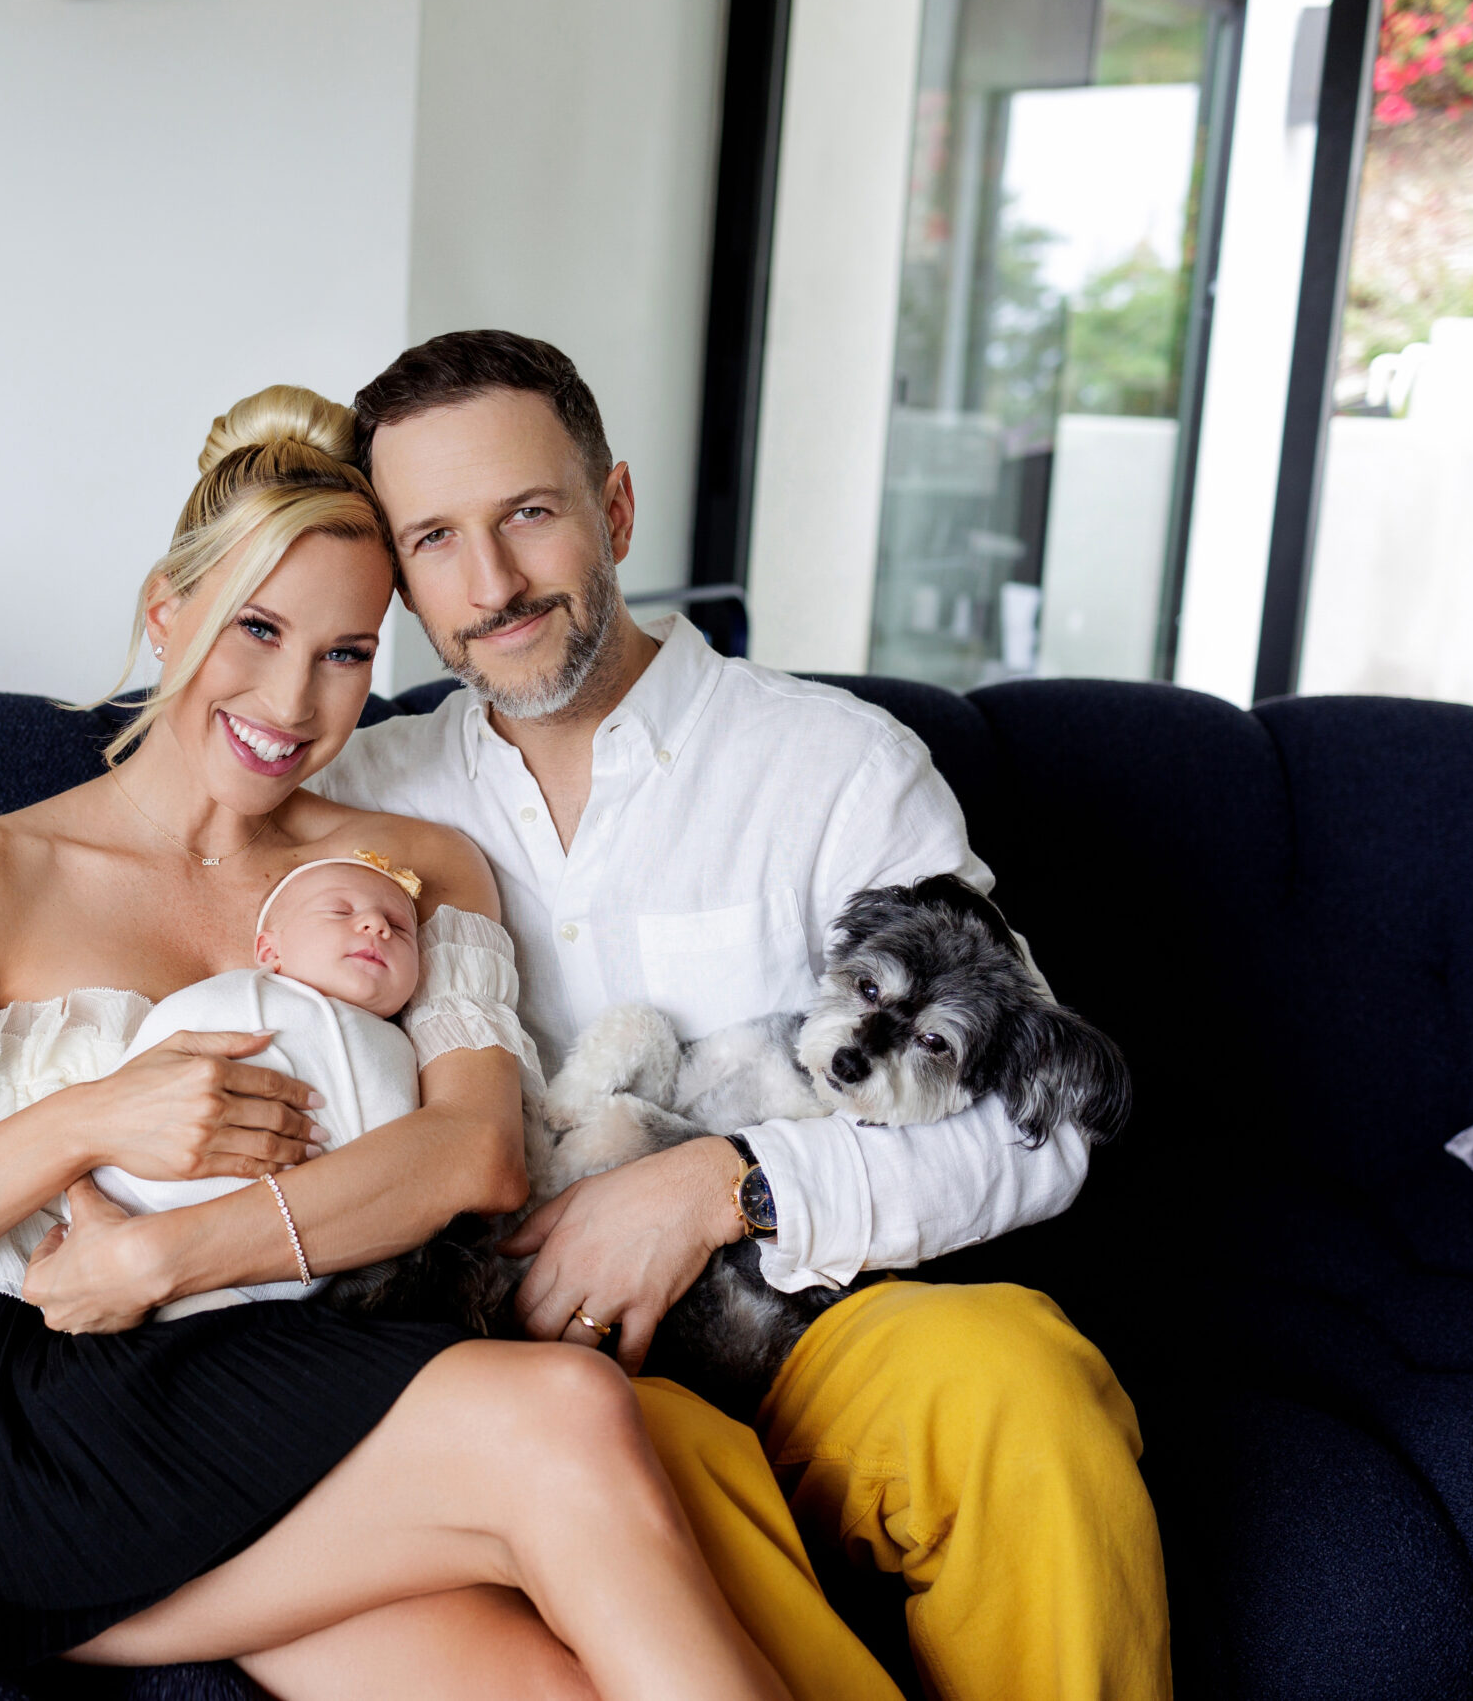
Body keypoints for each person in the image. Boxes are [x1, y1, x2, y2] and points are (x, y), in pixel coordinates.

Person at [0, 385, 793, 1701]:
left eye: (347, 651)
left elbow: (477, 1155)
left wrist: (165, 1250)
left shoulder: (411, 870)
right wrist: (92, 1119)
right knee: (560, 1413)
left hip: (252, 1375)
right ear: (168, 614)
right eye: (257, 628)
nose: (293, 699)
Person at [306, 331, 1174, 1701]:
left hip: (822, 1325)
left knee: (1024, 1386)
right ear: (401, 576)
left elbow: (1035, 1122)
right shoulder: (358, 786)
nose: (492, 585)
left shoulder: (839, 765)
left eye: (529, 513)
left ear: (617, 509)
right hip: (530, 1370)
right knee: (609, 1453)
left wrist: (731, 1183)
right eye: (436, 540)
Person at [90, 852, 479, 1320]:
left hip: (276, 1259)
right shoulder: (227, 995)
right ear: (270, 951)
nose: (377, 925)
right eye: (341, 911)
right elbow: (144, 1068)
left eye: (400, 929)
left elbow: (399, 1162)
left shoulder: (396, 1049)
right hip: (133, 1198)